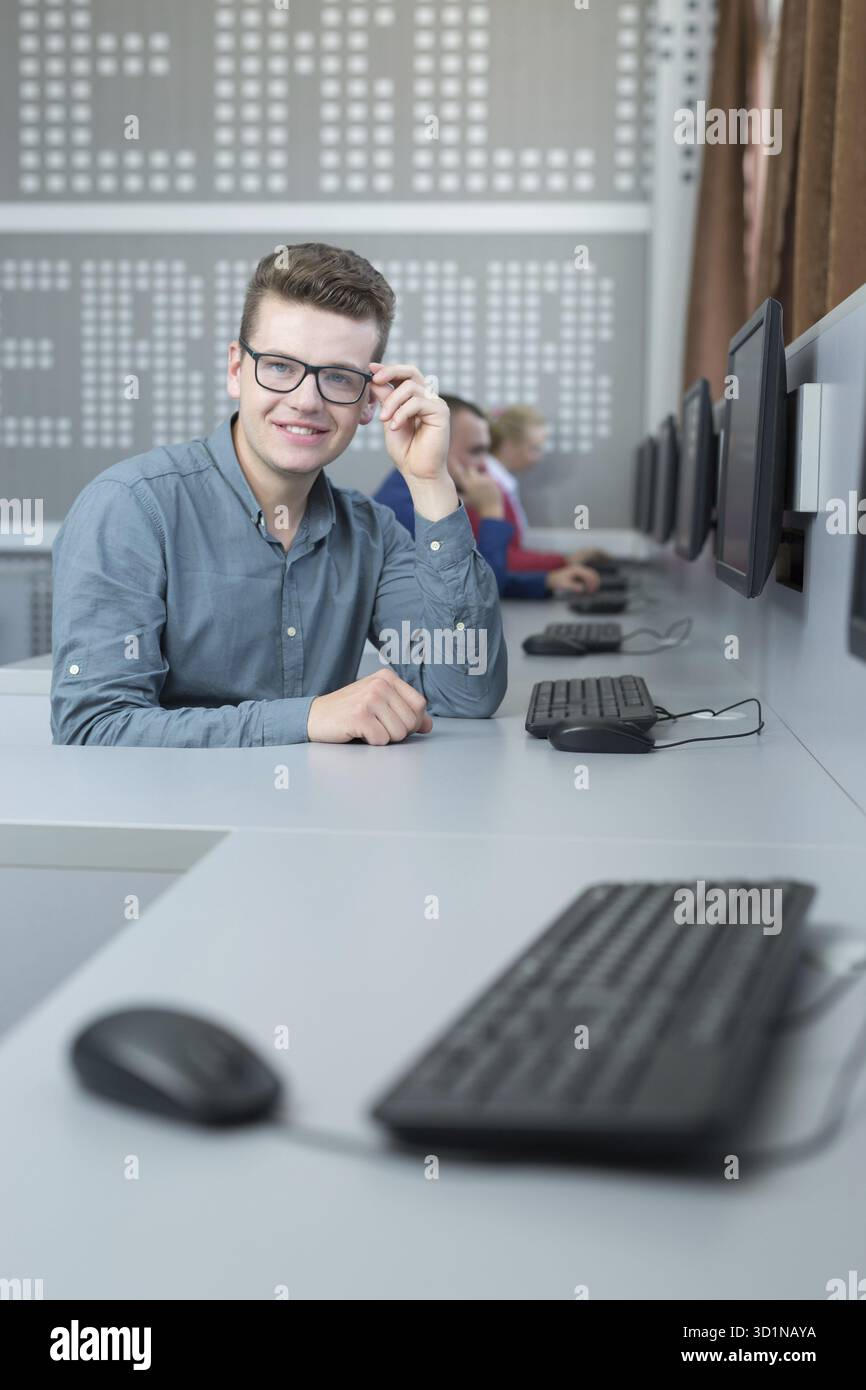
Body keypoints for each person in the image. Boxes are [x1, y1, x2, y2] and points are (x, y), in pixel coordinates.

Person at [50, 242, 507, 747]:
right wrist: (305, 718)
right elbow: (93, 726)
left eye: (339, 376)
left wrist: (430, 482)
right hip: (172, 816)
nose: (306, 401)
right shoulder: (130, 508)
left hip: (319, 817)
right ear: (235, 369)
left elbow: (466, 693)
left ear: (368, 402)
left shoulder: (373, 533)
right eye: (281, 367)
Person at [374, 395, 601, 601]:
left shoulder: (439, 499)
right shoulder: (405, 510)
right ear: (430, 444)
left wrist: (546, 582)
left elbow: (479, 573)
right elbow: (481, 592)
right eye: (475, 451)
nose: (484, 465)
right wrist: (491, 510)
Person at [486, 403, 609, 573]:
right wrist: (563, 561)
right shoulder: (489, 487)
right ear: (509, 446)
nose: (539, 457)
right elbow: (502, 558)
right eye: (535, 448)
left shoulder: (501, 483)